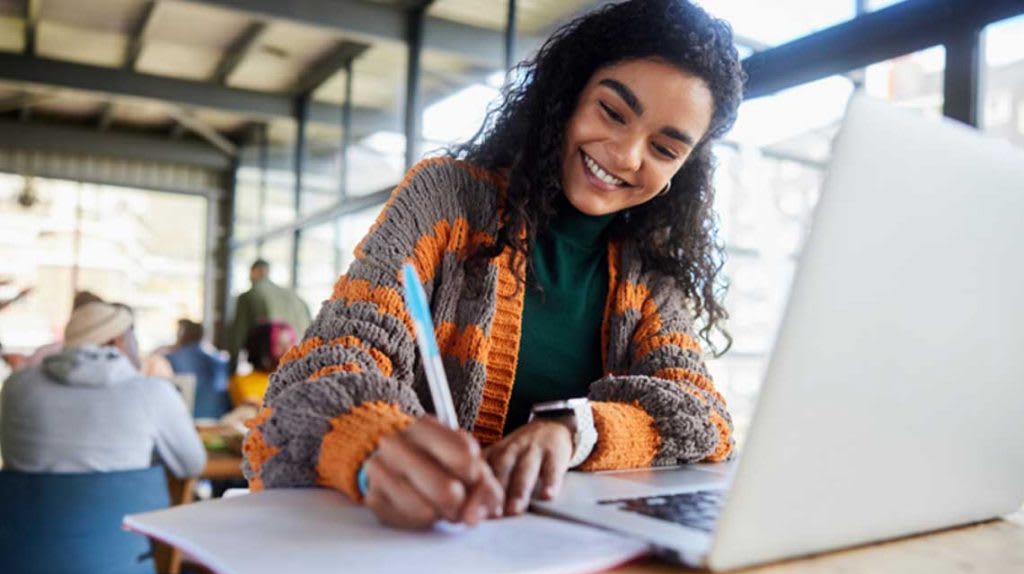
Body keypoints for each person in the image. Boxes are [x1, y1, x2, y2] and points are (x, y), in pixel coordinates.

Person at [242, 0, 742, 530]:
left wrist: (577, 429)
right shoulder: (446, 202)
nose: (625, 155)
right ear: (568, 94)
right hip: (408, 545)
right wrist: (371, 440)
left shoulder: (649, 276)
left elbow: (704, 417)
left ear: (682, 172)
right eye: (612, 113)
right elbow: (318, 373)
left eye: (664, 149)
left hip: (560, 562)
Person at [0, 301, 206, 574]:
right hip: (115, 573)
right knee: (122, 539)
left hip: (15, 569)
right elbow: (191, 465)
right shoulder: (152, 393)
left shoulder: (17, 387)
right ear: (115, 340)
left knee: (47, 526)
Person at [228, 259, 311, 373]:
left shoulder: (249, 296)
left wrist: (231, 370)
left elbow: (238, 333)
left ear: (254, 272)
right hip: (299, 363)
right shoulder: (293, 296)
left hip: (268, 365)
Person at [166, 318, 231, 419]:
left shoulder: (174, 357)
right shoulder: (218, 358)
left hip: (189, 416)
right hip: (219, 416)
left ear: (182, 334)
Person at [228, 320, 298, 408]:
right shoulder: (241, 383)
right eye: (280, 345)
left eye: (290, 344)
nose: (288, 350)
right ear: (262, 349)